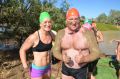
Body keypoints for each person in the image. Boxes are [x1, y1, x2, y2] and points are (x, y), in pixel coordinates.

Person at [52, 8, 101, 79]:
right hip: (66, 69)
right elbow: (55, 50)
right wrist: (62, 57)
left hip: (82, 69)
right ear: (66, 20)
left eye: (76, 19)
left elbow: (96, 52)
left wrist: (84, 59)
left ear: (79, 20)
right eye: (71, 19)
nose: (74, 22)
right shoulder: (60, 33)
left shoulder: (88, 33)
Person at [19, 12, 55, 79]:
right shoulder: (34, 37)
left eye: (49, 22)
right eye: (45, 22)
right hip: (37, 70)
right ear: (40, 24)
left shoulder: (51, 34)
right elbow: (22, 49)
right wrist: (25, 65)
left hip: (48, 68)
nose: (48, 24)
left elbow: (59, 41)